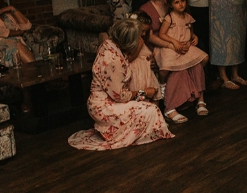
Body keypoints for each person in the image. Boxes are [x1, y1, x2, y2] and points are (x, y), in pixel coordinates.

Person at [68, 17, 174, 150]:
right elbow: (119, 96)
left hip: (104, 101)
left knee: (148, 108)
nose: (139, 40)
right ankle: (118, 134)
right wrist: (145, 92)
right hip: (103, 107)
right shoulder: (113, 60)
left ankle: (122, 131)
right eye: (137, 38)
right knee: (151, 110)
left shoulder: (109, 44)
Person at [142, 0, 208, 121]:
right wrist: (171, 45)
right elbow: (149, 36)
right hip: (160, 46)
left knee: (197, 64)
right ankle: (171, 105)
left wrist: (191, 38)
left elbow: (187, 28)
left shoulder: (176, 7)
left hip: (180, 44)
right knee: (177, 68)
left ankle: (198, 99)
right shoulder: (147, 9)